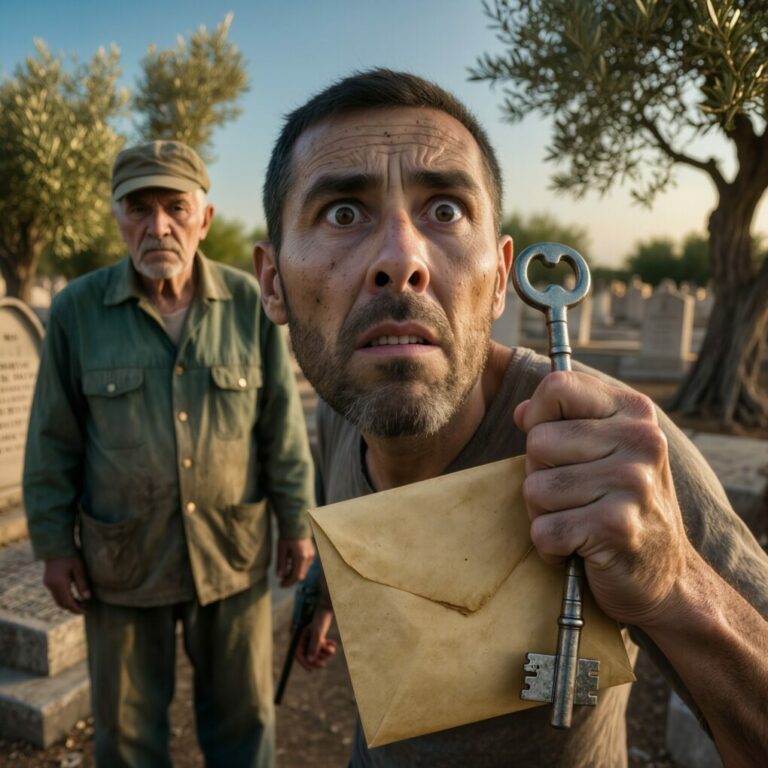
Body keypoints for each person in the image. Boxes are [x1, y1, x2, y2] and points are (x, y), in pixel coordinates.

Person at [252, 69, 768, 767]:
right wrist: (323, 590)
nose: (401, 260)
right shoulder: (343, 412)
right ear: (273, 281)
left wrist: (675, 582)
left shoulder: (615, 447)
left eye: (445, 212)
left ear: (501, 278)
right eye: (343, 213)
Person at [23, 140, 316, 768]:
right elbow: (52, 438)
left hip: (230, 554)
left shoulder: (250, 304)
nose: (158, 225)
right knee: (125, 736)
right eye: (139, 207)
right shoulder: (78, 311)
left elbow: (281, 428)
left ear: (203, 219)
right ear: (118, 218)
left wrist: (297, 524)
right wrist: (53, 545)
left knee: (245, 722)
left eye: (175, 207)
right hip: (123, 558)